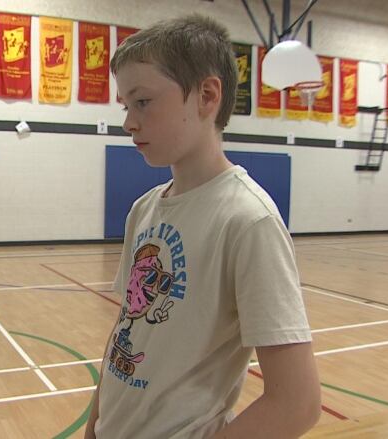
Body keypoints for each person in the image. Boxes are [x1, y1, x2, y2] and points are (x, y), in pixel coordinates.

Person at [85, 15, 321, 439]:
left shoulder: (248, 221)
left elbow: (296, 403)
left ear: (207, 96)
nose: (128, 123)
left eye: (142, 102)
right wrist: (94, 425)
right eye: (125, 106)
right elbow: (126, 331)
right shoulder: (143, 210)